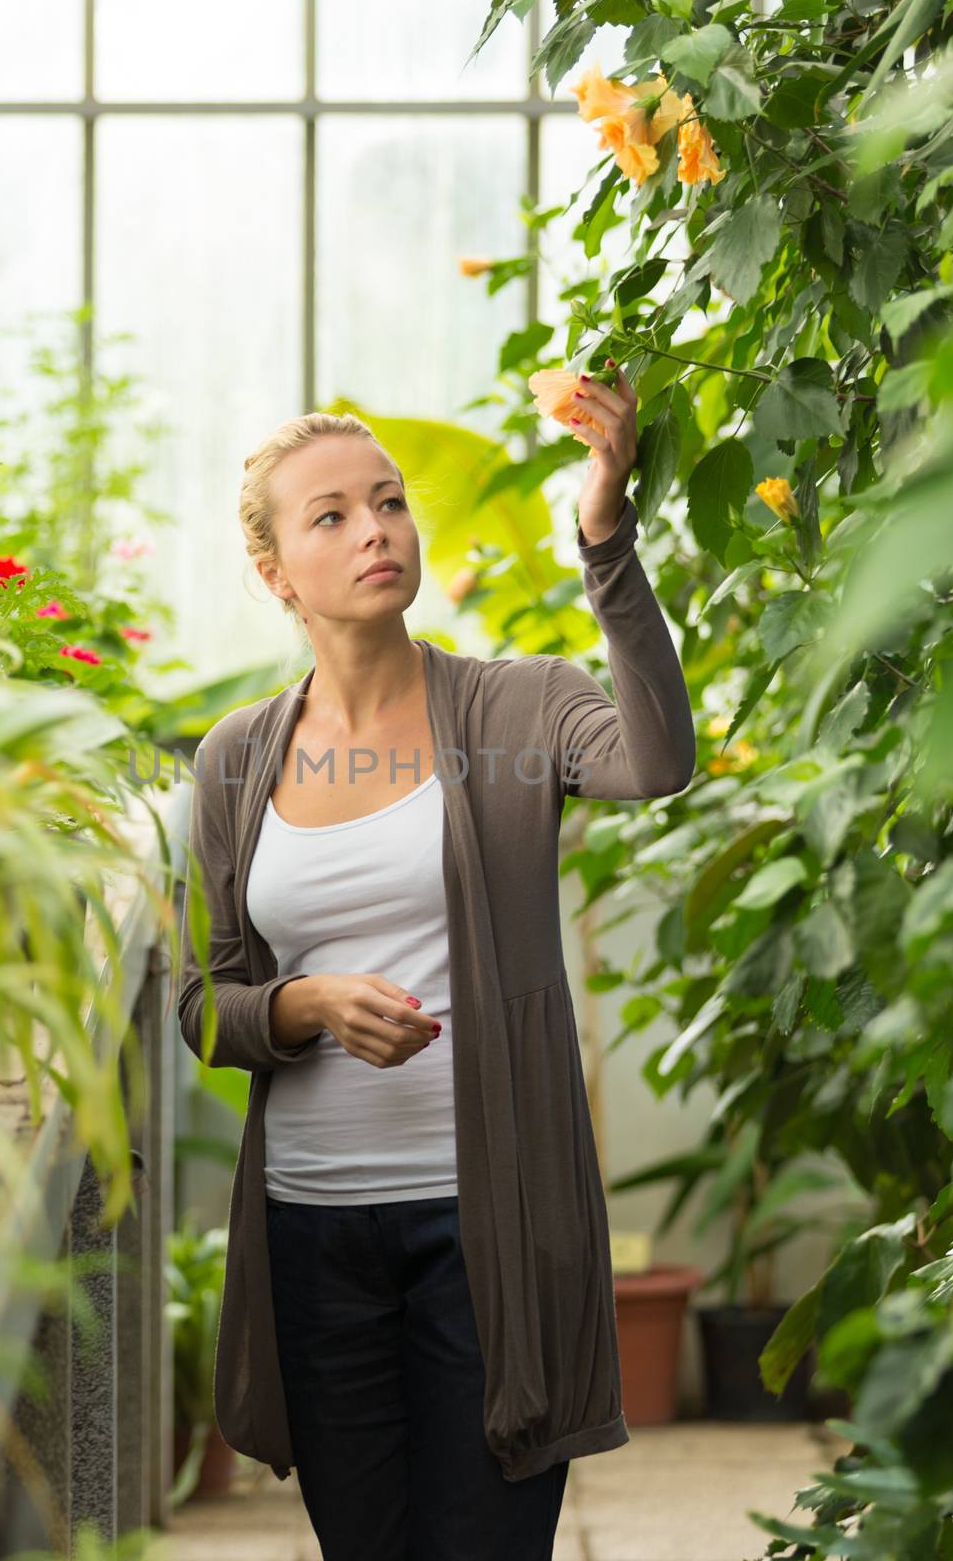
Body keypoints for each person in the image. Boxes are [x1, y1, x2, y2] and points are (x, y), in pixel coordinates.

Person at [175, 368, 696, 1561]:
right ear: (274, 573)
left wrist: (605, 536)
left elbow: (658, 759)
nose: (376, 531)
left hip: (489, 1232)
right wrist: (302, 1006)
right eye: (332, 516)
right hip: (313, 1239)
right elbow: (209, 1007)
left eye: (390, 502)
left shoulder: (520, 711)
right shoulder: (234, 759)